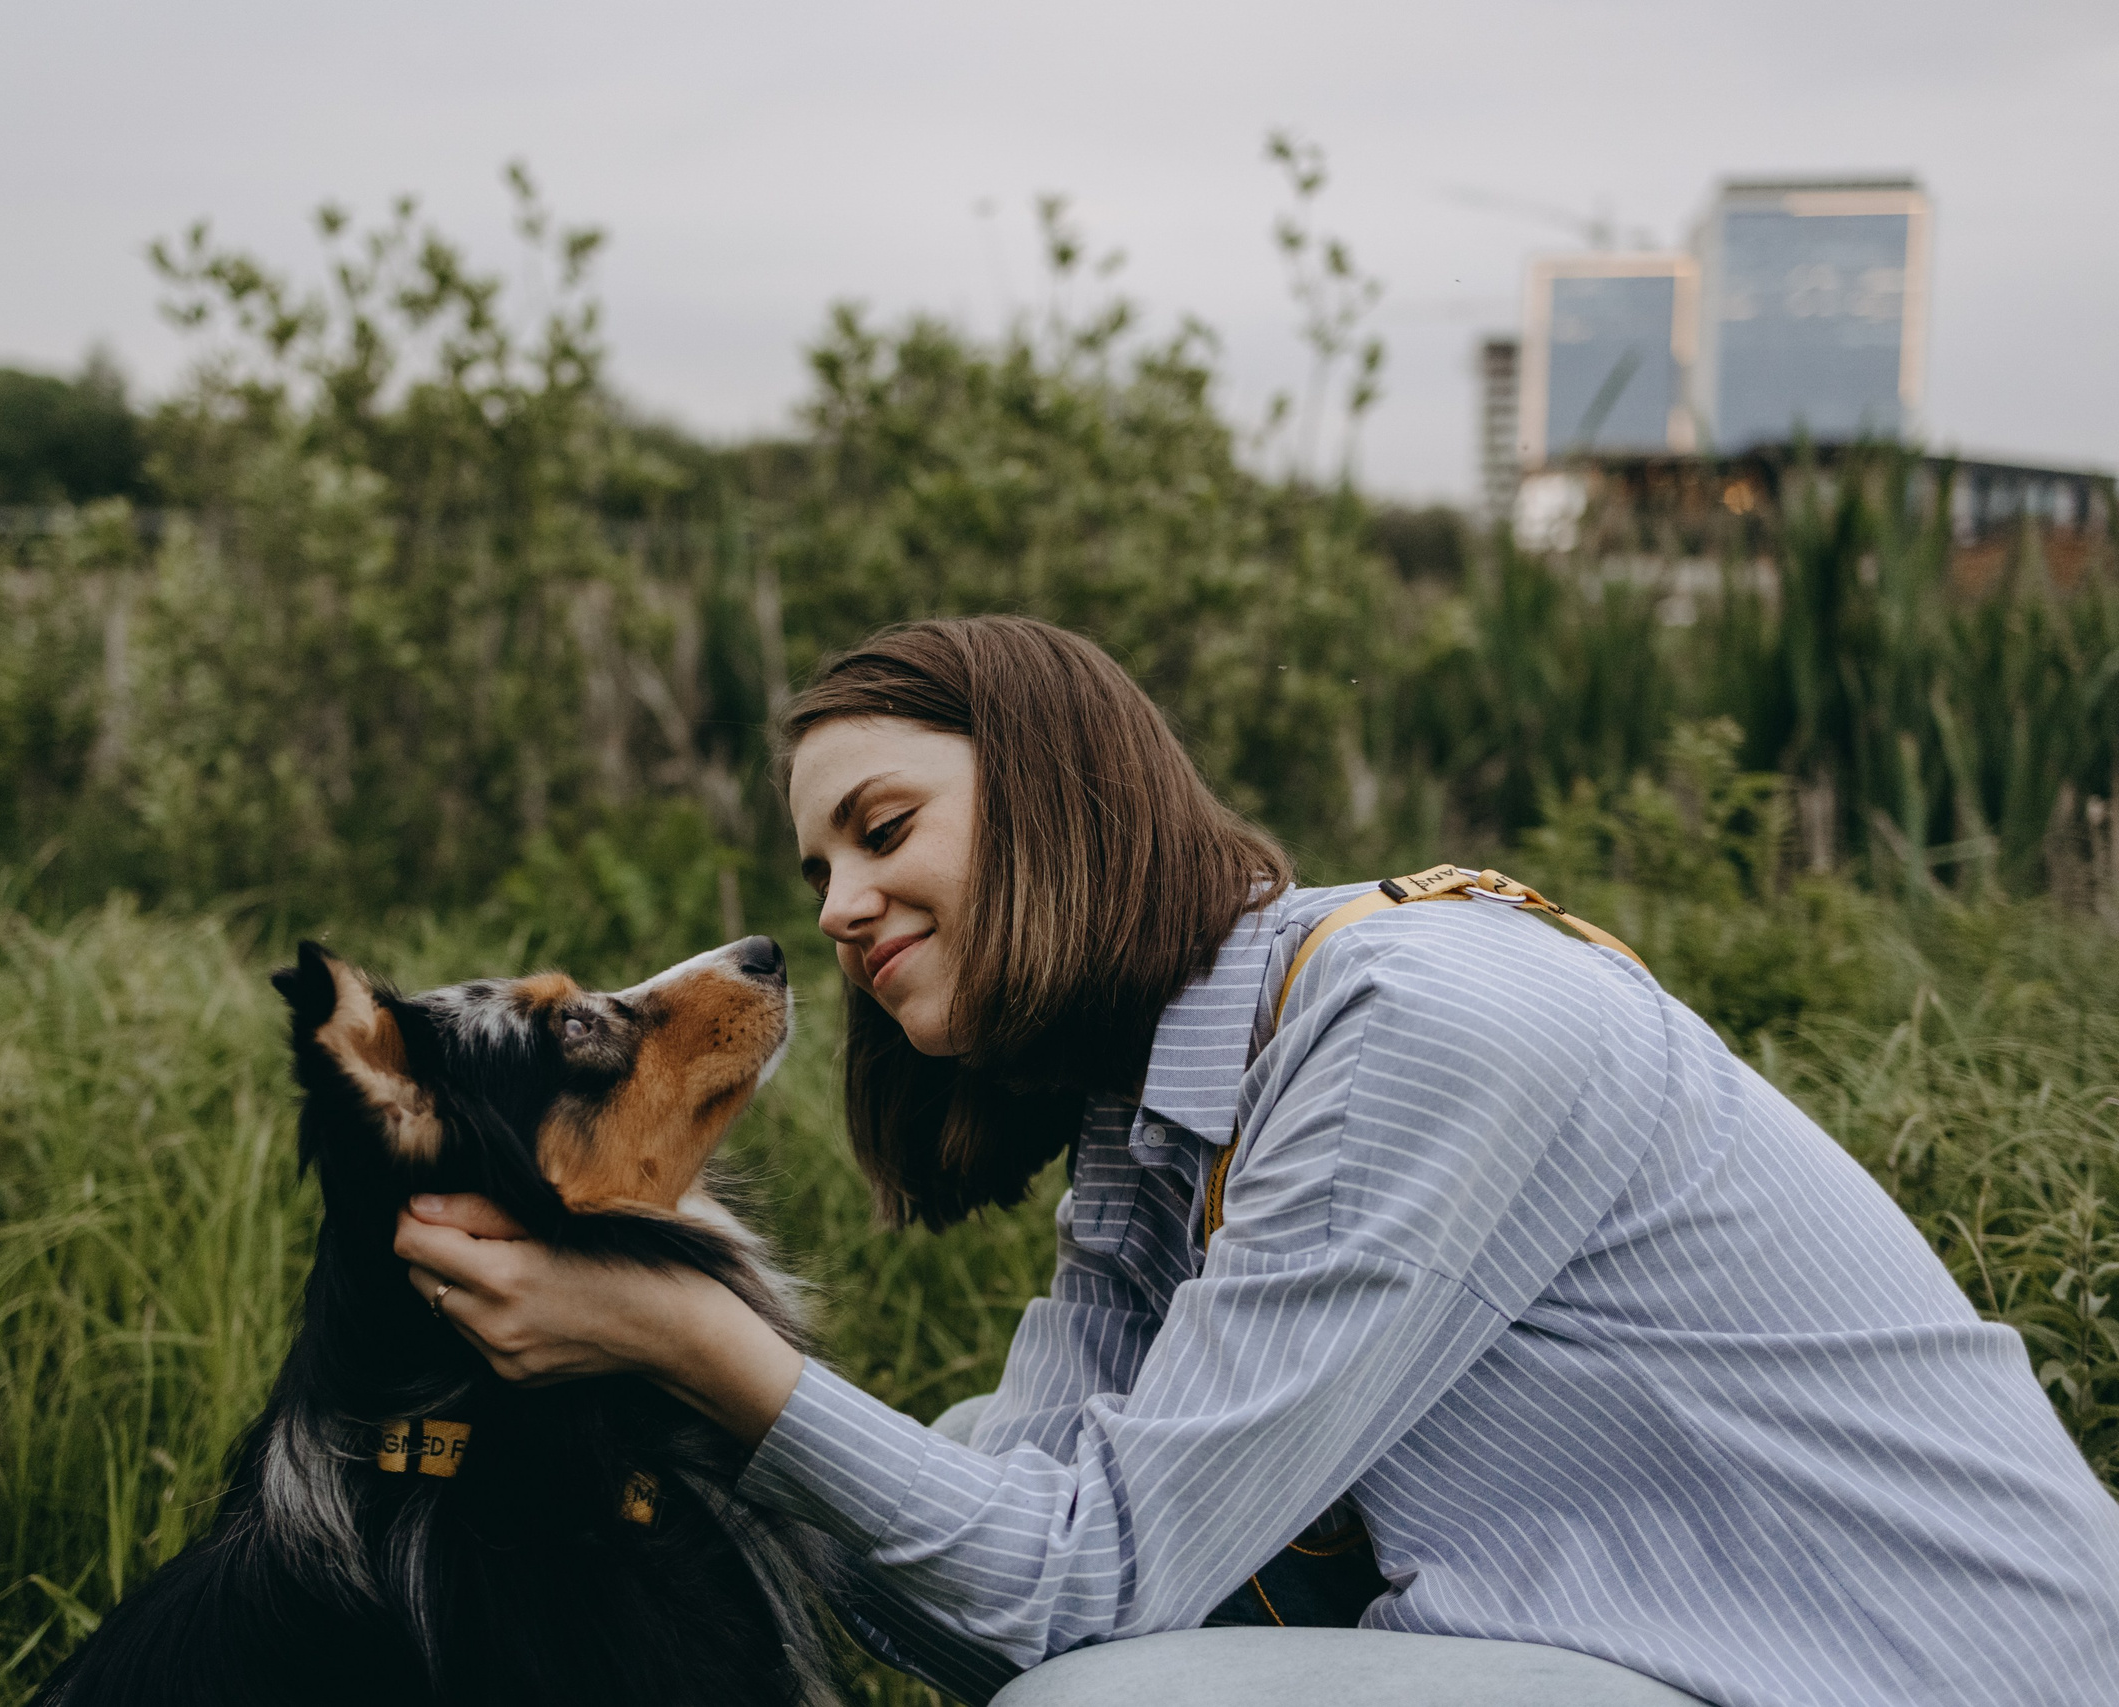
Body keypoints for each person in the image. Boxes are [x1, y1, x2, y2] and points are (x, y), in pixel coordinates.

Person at [395, 615, 2119, 1706]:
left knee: (1104, 1705)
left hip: (1901, 1666)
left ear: (1058, 790)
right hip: (1640, 1639)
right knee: (983, 1504)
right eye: (819, 869)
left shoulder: (1409, 1029)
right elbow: (999, 1565)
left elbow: (1081, 1598)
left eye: (884, 829)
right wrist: (698, 1403)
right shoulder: (1150, 1114)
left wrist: (695, 1343)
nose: (838, 909)